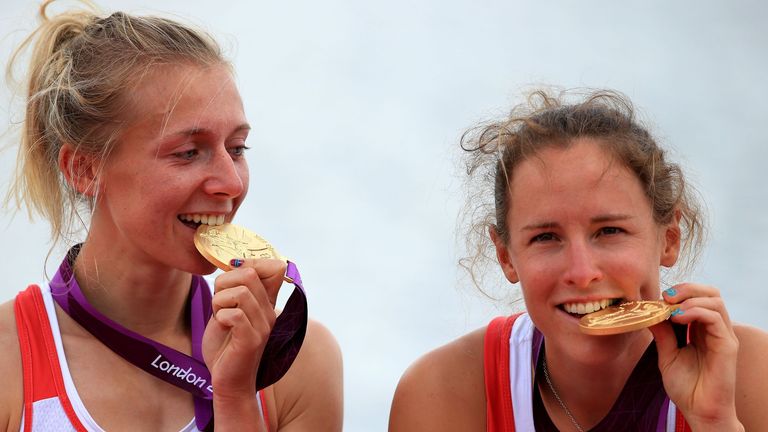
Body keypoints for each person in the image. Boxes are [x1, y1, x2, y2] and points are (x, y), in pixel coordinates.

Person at [0, 1, 343, 431]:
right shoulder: (8, 363)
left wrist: (236, 396)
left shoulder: (295, 361)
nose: (230, 184)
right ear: (84, 169)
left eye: (236, 149)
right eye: (188, 153)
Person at [389, 89, 768, 431]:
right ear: (506, 256)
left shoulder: (753, 376)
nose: (582, 273)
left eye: (610, 231)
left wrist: (715, 422)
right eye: (546, 237)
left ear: (669, 238)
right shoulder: (446, 393)